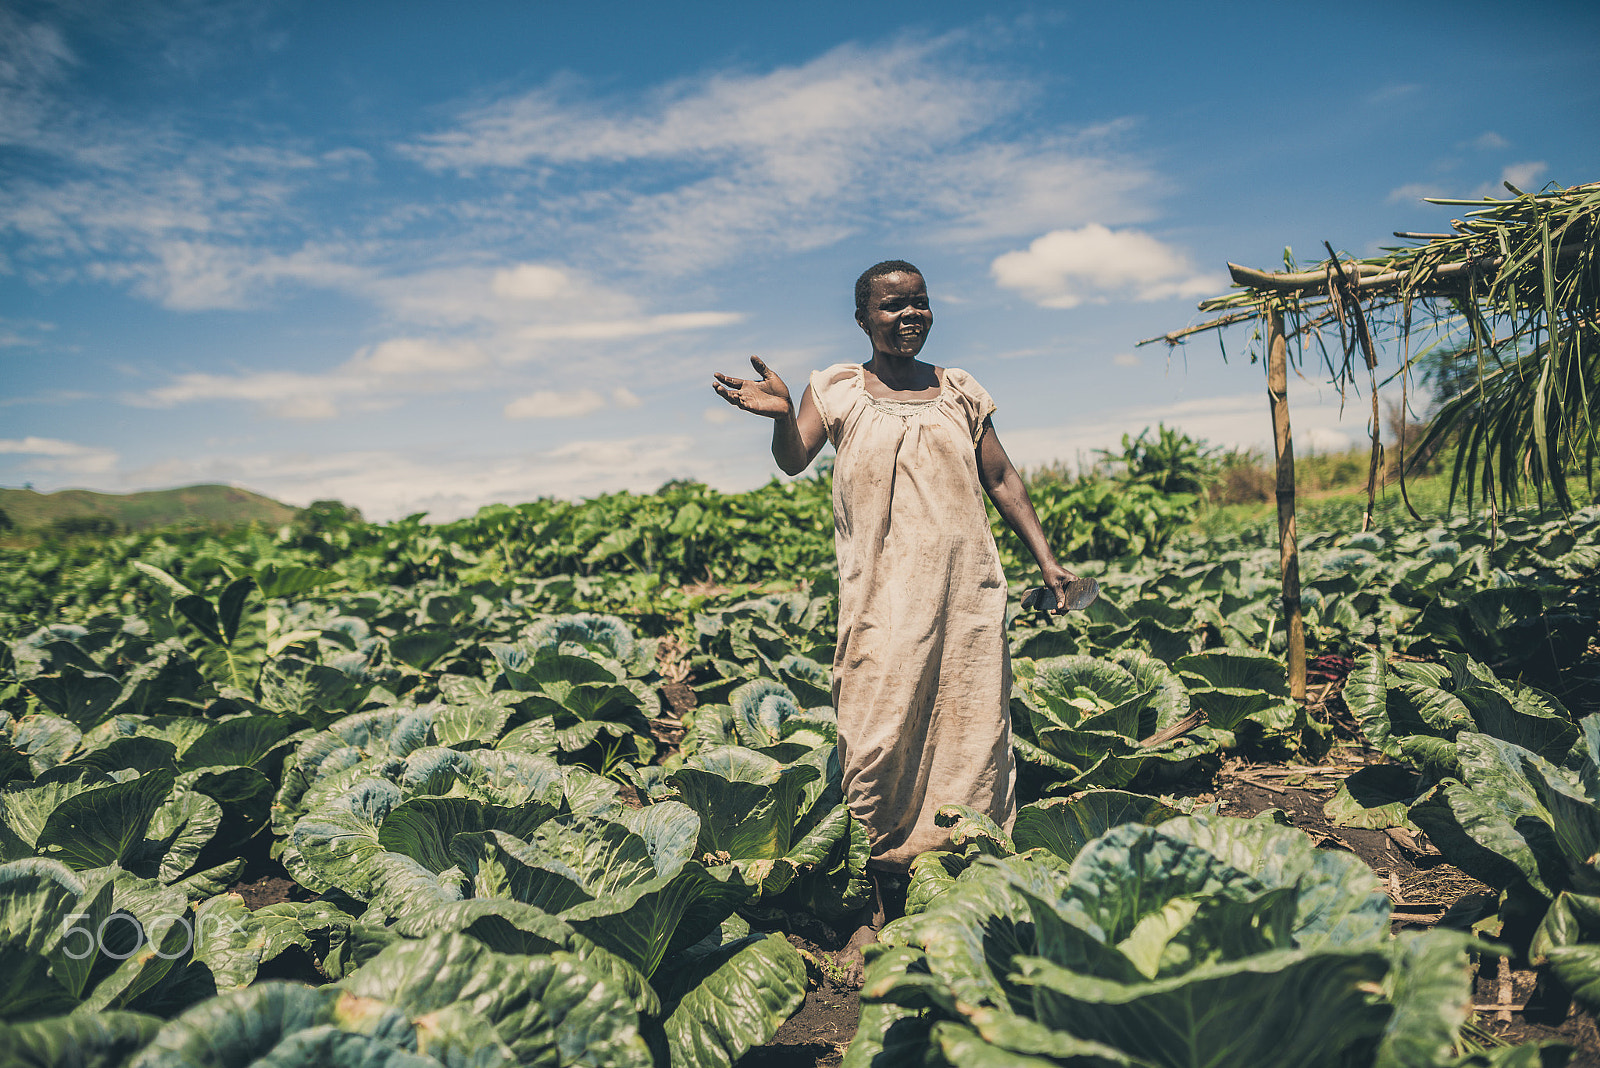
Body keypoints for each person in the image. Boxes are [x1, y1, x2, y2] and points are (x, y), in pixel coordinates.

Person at [711, 260, 1077, 968]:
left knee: (968, 730)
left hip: (966, 594)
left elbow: (999, 476)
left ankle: (964, 876)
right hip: (881, 596)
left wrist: (1049, 563)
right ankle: (876, 900)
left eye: (920, 303)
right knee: (876, 734)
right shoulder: (837, 388)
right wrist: (784, 415)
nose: (909, 315)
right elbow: (794, 461)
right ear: (862, 319)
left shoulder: (961, 391)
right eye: (892, 307)